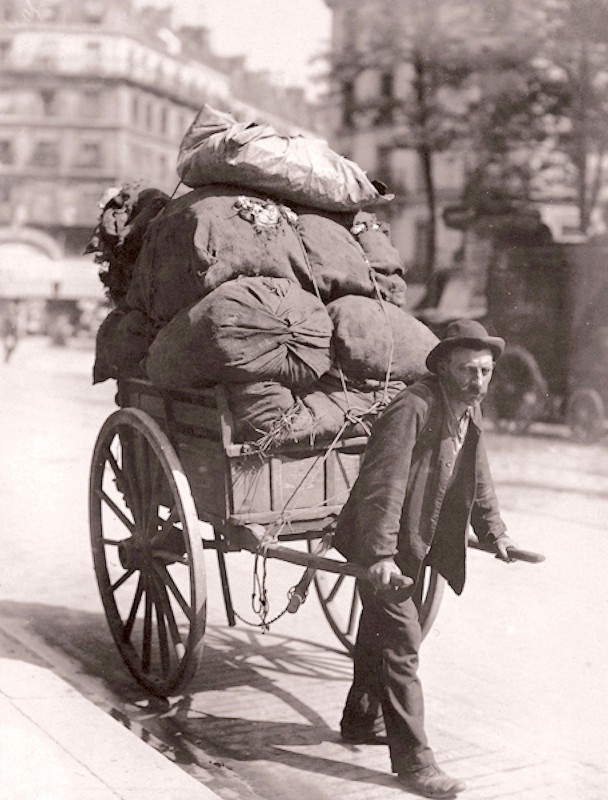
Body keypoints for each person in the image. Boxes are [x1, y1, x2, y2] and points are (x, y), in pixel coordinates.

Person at [333, 318, 518, 799]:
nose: (477, 382)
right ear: (442, 367)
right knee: (401, 642)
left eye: (485, 372)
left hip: (416, 543)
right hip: (387, 544)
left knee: (383, 631)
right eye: (467, 371)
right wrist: (377, 556)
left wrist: (496, 534)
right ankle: (415, 763)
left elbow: (478, 480)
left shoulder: (466, 414)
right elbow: (383, 484)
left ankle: (360, 718)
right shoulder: (412, 408)